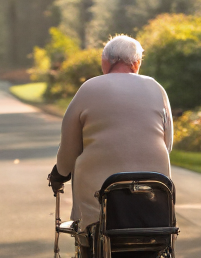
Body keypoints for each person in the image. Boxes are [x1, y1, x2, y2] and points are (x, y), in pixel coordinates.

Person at [48, 34, 172, 225]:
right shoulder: (156, 88)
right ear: (137, 63)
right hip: (152, 191)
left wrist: (61, 172)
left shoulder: (89, 88)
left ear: (105, 61)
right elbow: (167, 143)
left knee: (91, 217)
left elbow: (69, 148)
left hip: (100, 195)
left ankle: (88, 231)